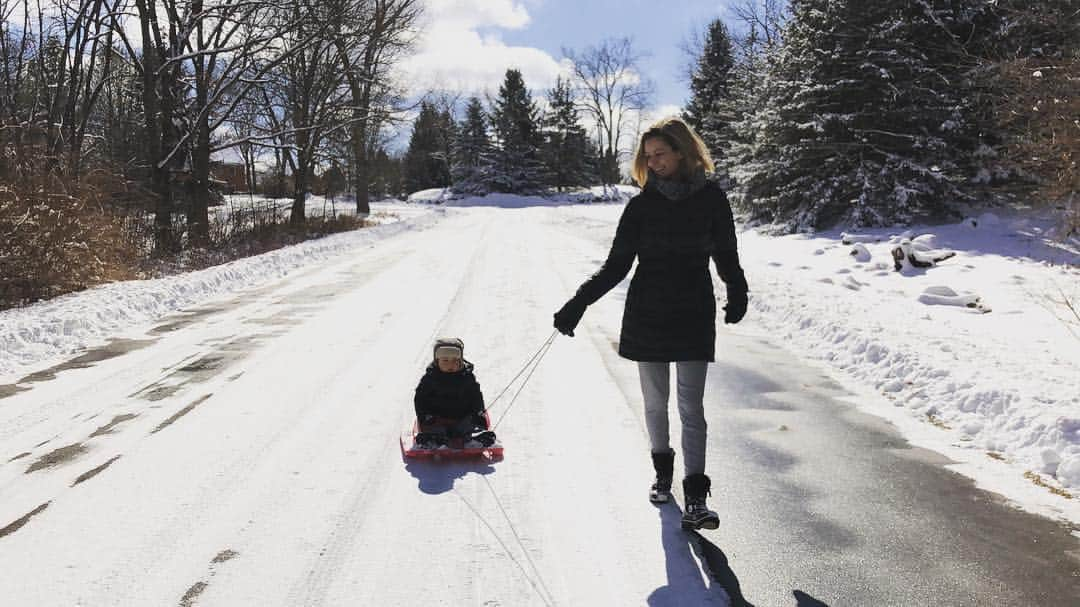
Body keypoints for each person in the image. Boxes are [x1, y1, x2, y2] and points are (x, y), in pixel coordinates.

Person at [553, 117, 748, 531]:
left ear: (682, 151)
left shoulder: (712, 198)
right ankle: (662, 474)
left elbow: (726, 253)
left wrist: (737, 289)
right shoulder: (641, 205)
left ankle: (696, 496)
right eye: (648, 156)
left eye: (661, 153)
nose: (653, 162)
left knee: (691, 407)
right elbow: (616, 265)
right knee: (656, 403)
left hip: (694, 309)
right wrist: (578, 302)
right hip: (648, 311)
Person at [413, 337, 496, 449]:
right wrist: (424, 415)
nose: (450, 365)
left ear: (461, 360)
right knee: (432, 428)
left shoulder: (467, 377)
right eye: (445, 361)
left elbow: (476, 396)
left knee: (472, 423)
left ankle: (475, 439)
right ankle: (435, 440)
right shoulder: (430, 378)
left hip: (462, 417)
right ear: (437, 361)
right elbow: (420, 398)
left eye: (455, 361)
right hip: (437, 418)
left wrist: (478, 411)